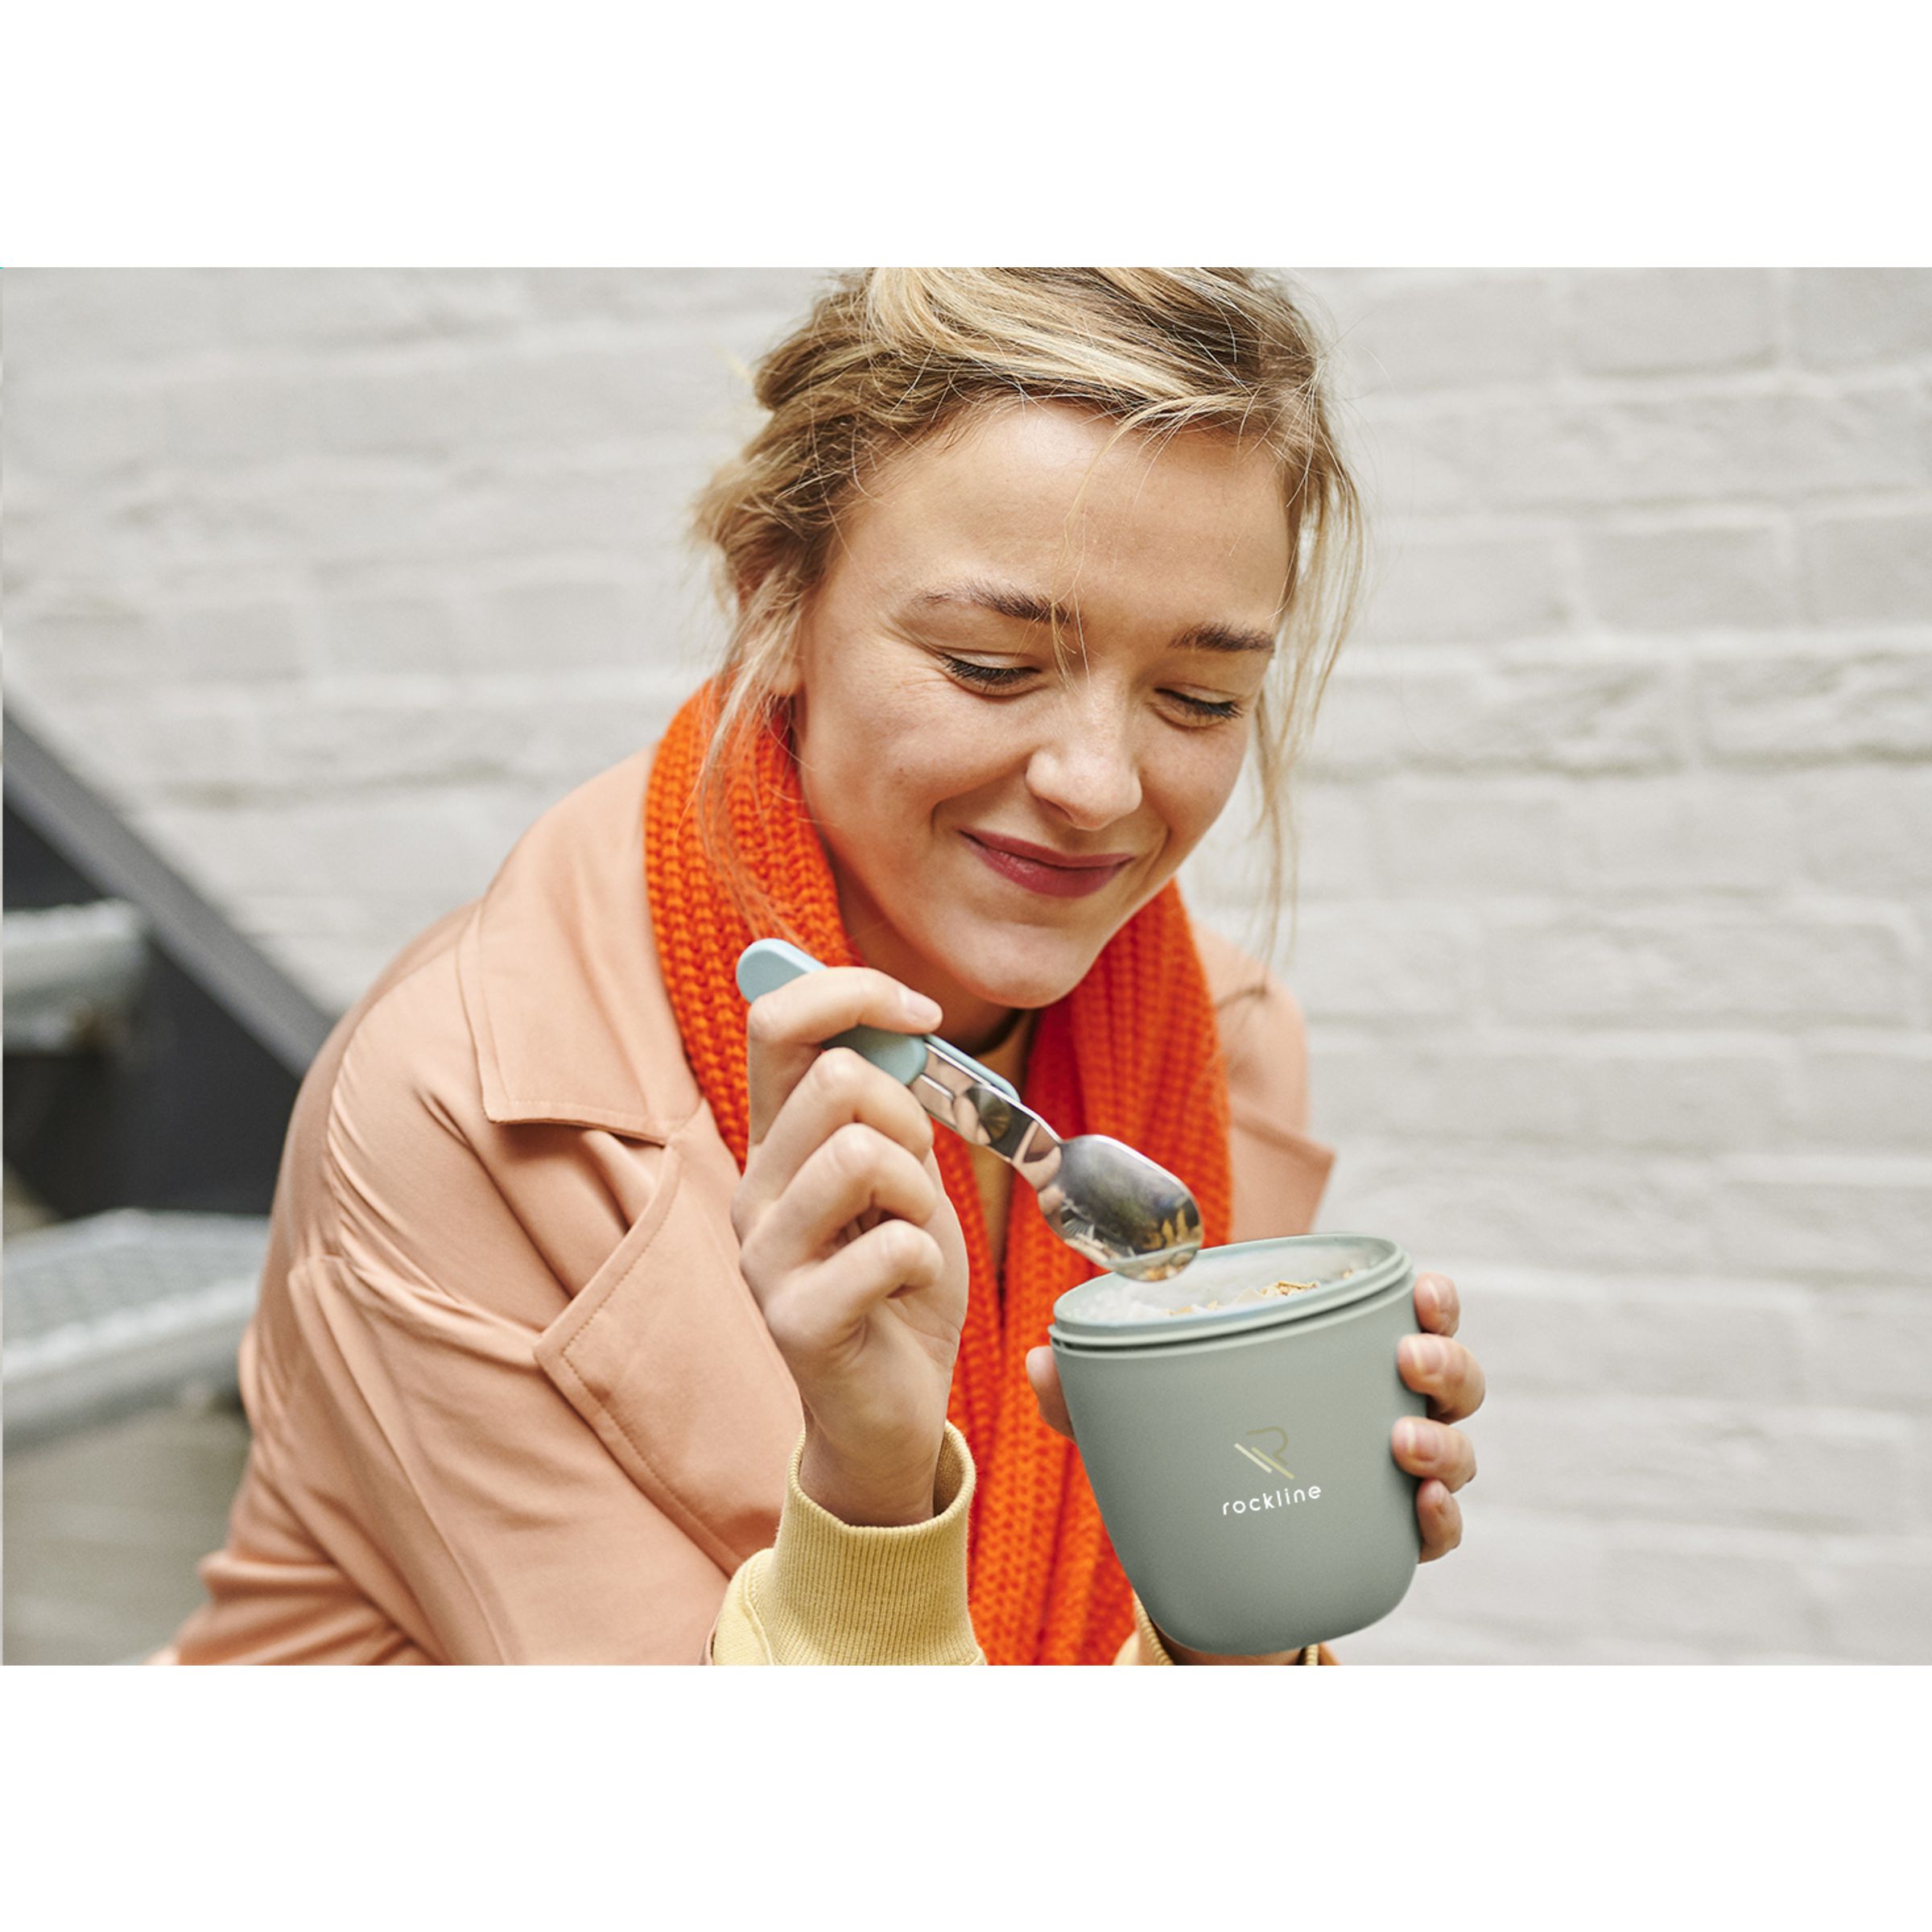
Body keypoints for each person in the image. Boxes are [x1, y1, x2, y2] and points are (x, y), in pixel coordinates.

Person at [165, 267, 1484, 1666]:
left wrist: (1258, 1584)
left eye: (1200, 698)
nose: (1099, 785)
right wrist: (871, 1492)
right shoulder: (459, 1106)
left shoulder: (1220, 1049)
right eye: (989, 665)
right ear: (773, 607)